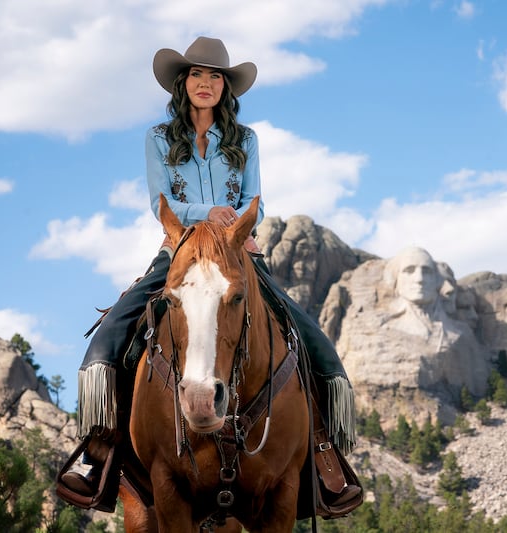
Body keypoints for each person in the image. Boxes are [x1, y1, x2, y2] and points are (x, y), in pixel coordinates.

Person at [60, 36, 359, 510]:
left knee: (306, 335)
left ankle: (324, 449)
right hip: (178, 248)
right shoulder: (159, 138)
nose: (206, 84)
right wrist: (212, 211)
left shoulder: (246, 140)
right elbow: (162, 202)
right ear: (183, 83)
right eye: (197, 75)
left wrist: (236, 224)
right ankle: (99, 448)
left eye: (215, 76)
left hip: (237, 254)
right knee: (114, 334)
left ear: (226, 86)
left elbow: (255, 203)